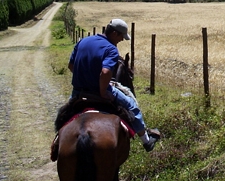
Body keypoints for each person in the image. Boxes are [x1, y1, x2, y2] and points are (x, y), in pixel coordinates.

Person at [68, 18, 160, 152]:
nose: (122, 40)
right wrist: (103, 91)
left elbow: (71, 66)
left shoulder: (83, 41)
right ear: (115, 33)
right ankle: (146, 140)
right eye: (122, 36)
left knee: (64, 116)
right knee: (131, 105)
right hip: (97, 91)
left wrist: (85, 76)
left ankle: (57, 140)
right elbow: (105, 72)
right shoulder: (111, 49)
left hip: (77, 92)